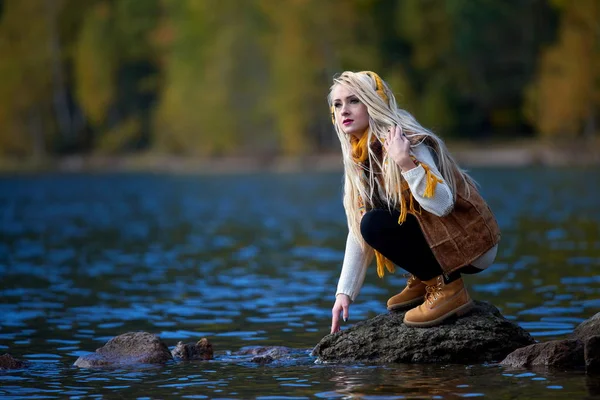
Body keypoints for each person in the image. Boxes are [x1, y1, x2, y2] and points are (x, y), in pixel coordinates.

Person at [328, 71, 501, 334]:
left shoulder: (405, 139)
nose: (344, 111)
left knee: (375, 222)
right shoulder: (362, 154)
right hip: (441, 243)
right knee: (369, 220)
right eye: (338, 104)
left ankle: (448, 288)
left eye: (354, 101)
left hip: (470, 244)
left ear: (373, 102)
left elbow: (443, 205)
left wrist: (405, 163)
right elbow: (357, 227)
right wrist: (344, 294)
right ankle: (426, 278)